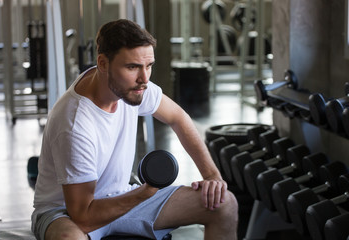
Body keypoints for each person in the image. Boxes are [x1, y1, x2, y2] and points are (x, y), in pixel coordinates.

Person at [31, 19, 238, 240]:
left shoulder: (134, 88)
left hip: (123, 194)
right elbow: (84, 217)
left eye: (149, 66)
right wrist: (146, 191)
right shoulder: (75, 125)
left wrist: (212, 176)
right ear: (103, 63)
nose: (144, 79)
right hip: (66, 212)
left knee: (223, 203)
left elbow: (178, 118)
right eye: (132, 67)